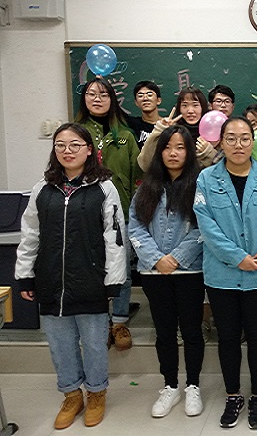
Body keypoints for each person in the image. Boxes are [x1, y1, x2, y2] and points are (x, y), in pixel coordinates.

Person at [15, 123, 126, 430]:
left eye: (75, 144)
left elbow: (115, 237)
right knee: (60, 345)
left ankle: (97, 393)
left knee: (94, 344)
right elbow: (30, 234)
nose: (67, 150)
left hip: (90, 279)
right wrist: (25, 275)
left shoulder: (104, 188)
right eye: (61, 145)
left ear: (89, 150)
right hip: (51, 281)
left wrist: (114, 280)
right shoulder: (42, 189)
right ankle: (71, 394)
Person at [193, 116, 257, 430]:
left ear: (253, 142)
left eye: (245, 138)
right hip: (221, 276)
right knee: (228, 338)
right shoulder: (206, 178)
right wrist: (237, 258)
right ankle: (233, 395)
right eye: (230, 138)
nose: (238, 144)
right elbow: (206, 226)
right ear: (220, 142)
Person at [128, 126, 205, 418]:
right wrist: (156, 259)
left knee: (192, 330)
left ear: (189, 152)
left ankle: (193, 385)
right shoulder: (146, 187)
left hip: (190, 272)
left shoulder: (201, 185)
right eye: (167, 147)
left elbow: (204, 227)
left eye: (180, 147)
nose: (173, 153)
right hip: (154, 274)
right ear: (159, 152)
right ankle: (170, 385)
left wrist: (177, 257)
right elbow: (135, 226)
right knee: (164, 332)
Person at [76, 77, 141, 351]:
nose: (97, 99)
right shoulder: (75, 134)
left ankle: (120, 322)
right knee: (94, 270)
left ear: (113, 99)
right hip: (85, 214)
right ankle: (100, 322)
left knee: (121, 269)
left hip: (121, 213)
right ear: (84, 99)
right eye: (92, 94)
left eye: (104, 94)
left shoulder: (125, 136)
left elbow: (138, 176)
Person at [137, 86, 218, 172]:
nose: (190, 111)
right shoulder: (172, 132)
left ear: (203, 107)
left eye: (195, 105)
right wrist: (159, 130)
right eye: (185, 105)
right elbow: (145, 164)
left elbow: (223, 170)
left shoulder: (213, 133)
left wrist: (209, 153)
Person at [126, 80, 163, 149]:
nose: (145, 98)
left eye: (150, 95)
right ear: (136, 102)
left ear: (158, 100)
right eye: (140, 96)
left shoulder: (167, 125)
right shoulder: (132, 124)